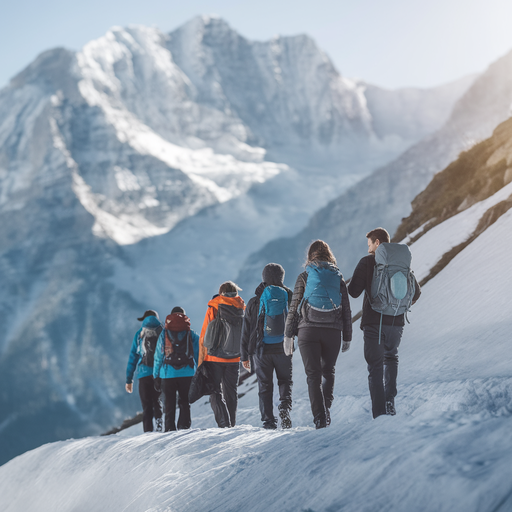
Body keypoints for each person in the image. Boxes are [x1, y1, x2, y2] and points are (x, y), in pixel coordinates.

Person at [348, 227, 421, 418]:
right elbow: (417, 292)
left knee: (375, 367)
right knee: (391, 358)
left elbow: (353, 291)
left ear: (377, 243)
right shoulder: (400, 263)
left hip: (374, 322)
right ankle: (390, 403)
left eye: (369, 244)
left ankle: (379, 413)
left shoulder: (367, 262)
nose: (368, 249)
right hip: (397, 323)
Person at [284, 240, 352, 429]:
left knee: (313, 375)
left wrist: (288, 334)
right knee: (328, 371)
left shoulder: (305, 276)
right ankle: (326, 410)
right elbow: (346, 309)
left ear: (310, 256)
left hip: (308, 331)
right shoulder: (337, 276)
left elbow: (294, 307)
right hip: (333, 331)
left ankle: (320, 417)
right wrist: (347, 336)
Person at [241, 263, 293, 429]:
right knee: (285, 381)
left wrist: (244, 356)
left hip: (261, 350)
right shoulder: (289, 296)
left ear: (263, 278)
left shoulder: (255, 301)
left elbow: (246, 330)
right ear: (281, 277)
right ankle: (284, 407)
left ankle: (268, 421)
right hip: (284, 347)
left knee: (265, 386)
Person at [198, 281, 245, 428]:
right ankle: (232, 424)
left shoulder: (214, 305)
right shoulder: (241, 307)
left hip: (215, 357)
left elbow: (205, 335)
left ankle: (224, 423)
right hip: (234, 357)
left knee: (214, 390)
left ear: (221, 292)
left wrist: (201, 361)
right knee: (231, 392)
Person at [153, 307, 199, 432]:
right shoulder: (191, 333)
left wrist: (155, 376)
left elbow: (158, 356)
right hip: (187, 373)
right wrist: (199, 370)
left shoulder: (164, 333)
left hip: (168, 374)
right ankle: (184, 427)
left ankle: (169, 429)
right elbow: (199, 353)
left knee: (169, 404)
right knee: (184, 402)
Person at [126, 309, 163, 432]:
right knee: (157, 402)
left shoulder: (140, 334)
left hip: (143, 374)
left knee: (147, 406)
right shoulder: (162, 331)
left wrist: (129, 379)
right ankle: (159, 426)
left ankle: (148, 431)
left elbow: (133, 357)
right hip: (159, 373)